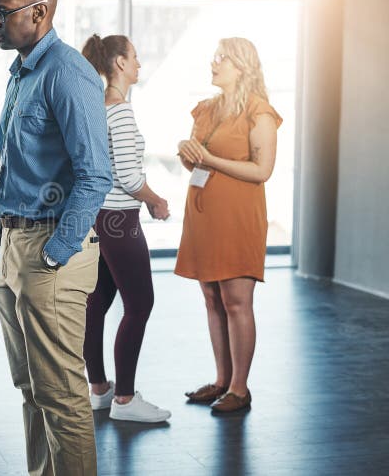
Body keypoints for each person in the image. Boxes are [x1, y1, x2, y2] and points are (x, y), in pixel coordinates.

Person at [0, 0, 113, 476]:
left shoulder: (67, 71)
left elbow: (96, 173)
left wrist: (56, 252)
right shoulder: (23, 72)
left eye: (2, 12)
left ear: (38, 12)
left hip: (49, 253)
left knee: (61, 398)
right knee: (31, 389)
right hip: (13, 247)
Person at [176, 37, 281, 413]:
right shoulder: (206, 109)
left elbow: (262, 171)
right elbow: (198, 161)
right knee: (212, 300)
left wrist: (210, 160)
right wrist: (190, 157)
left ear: (241, 66)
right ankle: (221, 380)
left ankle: (240, 387)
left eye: (221, 58)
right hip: (203, 216)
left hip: (238, 219)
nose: (213, 63)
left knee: (237, 302)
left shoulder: (259, 112)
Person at [80, 33, 172, 422]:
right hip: (121, 220)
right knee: (140, 304)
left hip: (101, 217)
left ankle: (99, 389)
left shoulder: (99, 107)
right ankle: (125, 399)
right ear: (118, 62)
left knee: (97, 303)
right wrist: (155, 199)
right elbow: (130, 176)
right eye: (134, 57)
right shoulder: (119, 109)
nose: (139, 64)